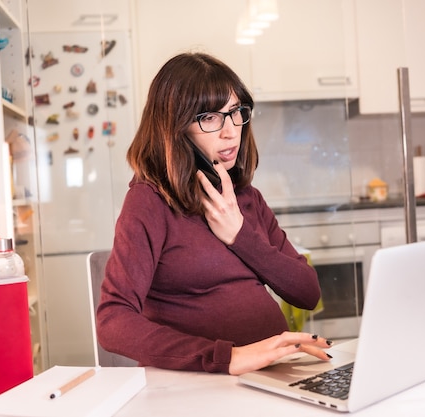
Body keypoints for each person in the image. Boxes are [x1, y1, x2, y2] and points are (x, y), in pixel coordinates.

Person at [97, 52, 332, 375]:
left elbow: (307, 293)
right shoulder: (149, 202)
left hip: (275, 373)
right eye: (210, 118)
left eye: (236, 113)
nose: (231, 131)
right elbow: (113, 320)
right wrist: (227, 357)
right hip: (203, 382)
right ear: (175, 127)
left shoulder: (246, 198)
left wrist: (240, 235)